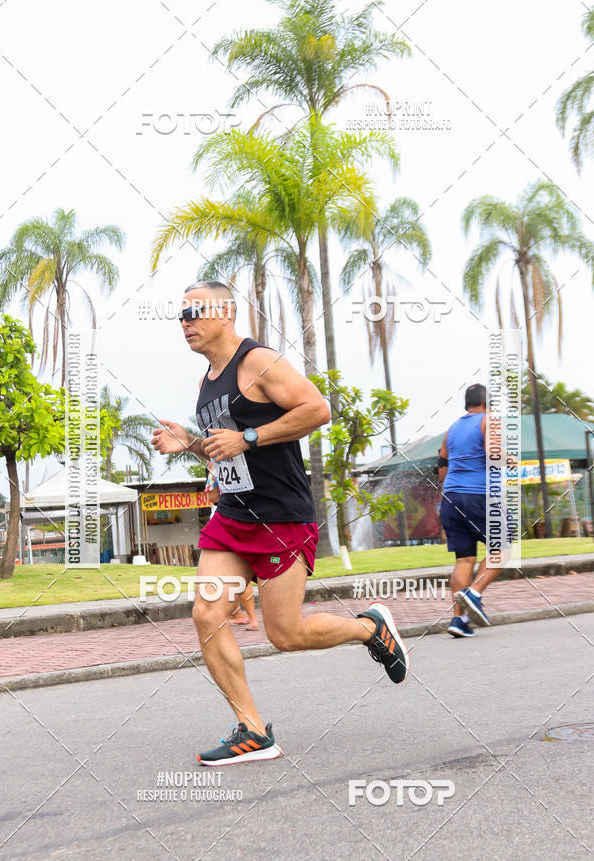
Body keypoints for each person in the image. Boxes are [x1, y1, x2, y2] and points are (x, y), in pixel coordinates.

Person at [152, 280, 409, 766]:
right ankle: (253, 731)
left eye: (195, 312)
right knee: (207, 616)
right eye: (180, 315)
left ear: (226, 313)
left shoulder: (257, 362)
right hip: (233, 516)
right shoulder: (208, 378)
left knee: (285, 634)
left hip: (280, 518)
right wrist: (188, 444)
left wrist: (248, 437)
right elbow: (224, 451)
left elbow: (317, 409)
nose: (185, 323)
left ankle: (369, 629)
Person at [437, 383, 504, 638]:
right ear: (487, 403)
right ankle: (474, 593)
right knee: (505, 547)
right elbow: (494, 454)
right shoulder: (489, 421)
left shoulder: (452, 429)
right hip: (479, 495)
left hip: (451, 497)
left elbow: (442, 465)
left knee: (464, 560)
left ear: (467, 404)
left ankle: (459, 619)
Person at [205, 464, 259, 630]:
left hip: (226, 519)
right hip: (251, 517)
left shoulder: (215, 465)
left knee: (235, 573)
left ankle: (251, 618)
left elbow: (212, 496)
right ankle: (237, 613)